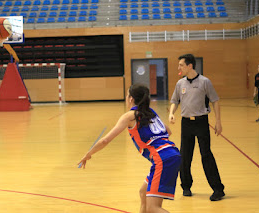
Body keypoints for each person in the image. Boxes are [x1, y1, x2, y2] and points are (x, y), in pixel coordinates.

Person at [78, 84, 181, 213]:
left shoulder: (130, 116)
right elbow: (168, 131)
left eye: (127, 95)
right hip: (172, 153)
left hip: (162, 159)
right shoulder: (151, 113)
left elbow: (105, 140)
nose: (126, 98)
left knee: (153, 208)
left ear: (131, 99)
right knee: (143, 192)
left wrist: (89, 153)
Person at [169, 54, 225, 201]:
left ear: (190, 66)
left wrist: (218, 122)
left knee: (206, 155)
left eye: (181, 65)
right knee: (185, 156)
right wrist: (171, 113)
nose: (179, 67)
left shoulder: (205, 82)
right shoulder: (180, 84)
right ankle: (186, 186)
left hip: (201, 122)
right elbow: (174, 101)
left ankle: (218, 189)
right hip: (186, 123)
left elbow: (215, 101)